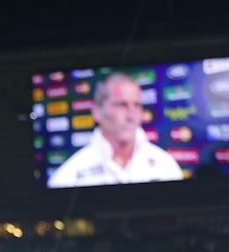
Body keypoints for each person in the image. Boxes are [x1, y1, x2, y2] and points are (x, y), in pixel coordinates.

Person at [46, 72, 184, 188]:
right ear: (97, 111)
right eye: (121, 105)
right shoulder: (68, 177)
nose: (131, 115)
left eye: (137, 105)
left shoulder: (166, 166)